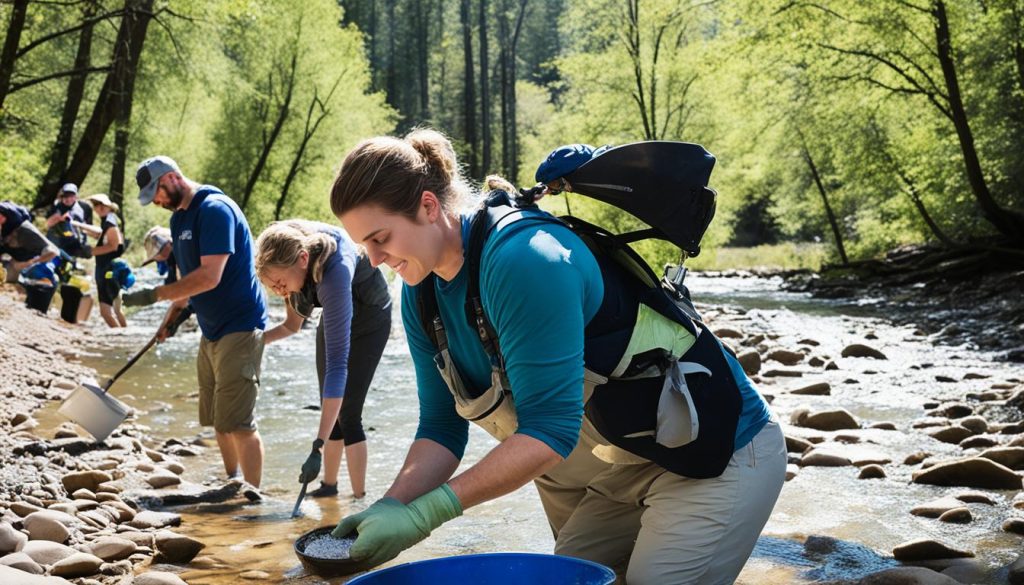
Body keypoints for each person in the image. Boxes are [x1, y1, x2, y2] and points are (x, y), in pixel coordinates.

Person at [327, 130, 787, 584]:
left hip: (719, 453)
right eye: (362, 244)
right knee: (571, 578)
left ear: (428, 207)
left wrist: (426, 514)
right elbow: (440, 428)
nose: (372, 260)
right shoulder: (421, 294)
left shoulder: (524, 261)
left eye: (380, 238)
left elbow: (549, 430)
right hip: (621, 469)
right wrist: (391, 505)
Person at [123, 156, 269, 488]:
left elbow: (209, 277)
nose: (157, 201)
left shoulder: (215, 209)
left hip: (241, 325)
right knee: (219, 418)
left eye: (156, 193)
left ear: (172, 177)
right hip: (211, 328)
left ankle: (252, 497)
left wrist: (152, 294)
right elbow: (186, 286)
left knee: (240, 423)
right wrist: (169, 320)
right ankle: (232, 482)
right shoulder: (178, 221)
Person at [255, 220, 391, 498]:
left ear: (303, 260)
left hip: (371, 316)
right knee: (328, 405)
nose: (280, 291)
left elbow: (338, 366)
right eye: (273, 288)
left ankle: (359, 500)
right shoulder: (288, 249)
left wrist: (316, 446)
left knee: (349, 412)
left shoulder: (335, 273)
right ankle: (329, 487)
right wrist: (254, 343)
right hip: (336, 313)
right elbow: (291, 326)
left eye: (281, 284)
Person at [74, 194, 126, 327]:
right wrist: (80, 227)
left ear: (108, 206)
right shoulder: (108, 220)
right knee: (112, 311)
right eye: (96, 204)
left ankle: (120, 336)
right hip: (106, 269)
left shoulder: (110, 222)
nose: (99, 207)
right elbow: (100, 234)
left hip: (108, 270)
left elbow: (114, 245)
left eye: (101, 204)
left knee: (109, 311)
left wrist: (90, 252)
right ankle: (121, 336)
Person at [1, 201, 59, 284]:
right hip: (14, 267)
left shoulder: (24, 230)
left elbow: (53, 252)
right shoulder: (4, 231)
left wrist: (28, 263)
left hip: (36, 272)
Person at [45, 183, 92, 258]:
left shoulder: (84, 208)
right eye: (66, 195)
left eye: (71, 196)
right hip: (56, 241)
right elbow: (47, 224)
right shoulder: (56, 206)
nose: (68, 199)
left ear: (76, 196)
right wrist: (59, 218)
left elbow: (88, 227)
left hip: (74, 241)